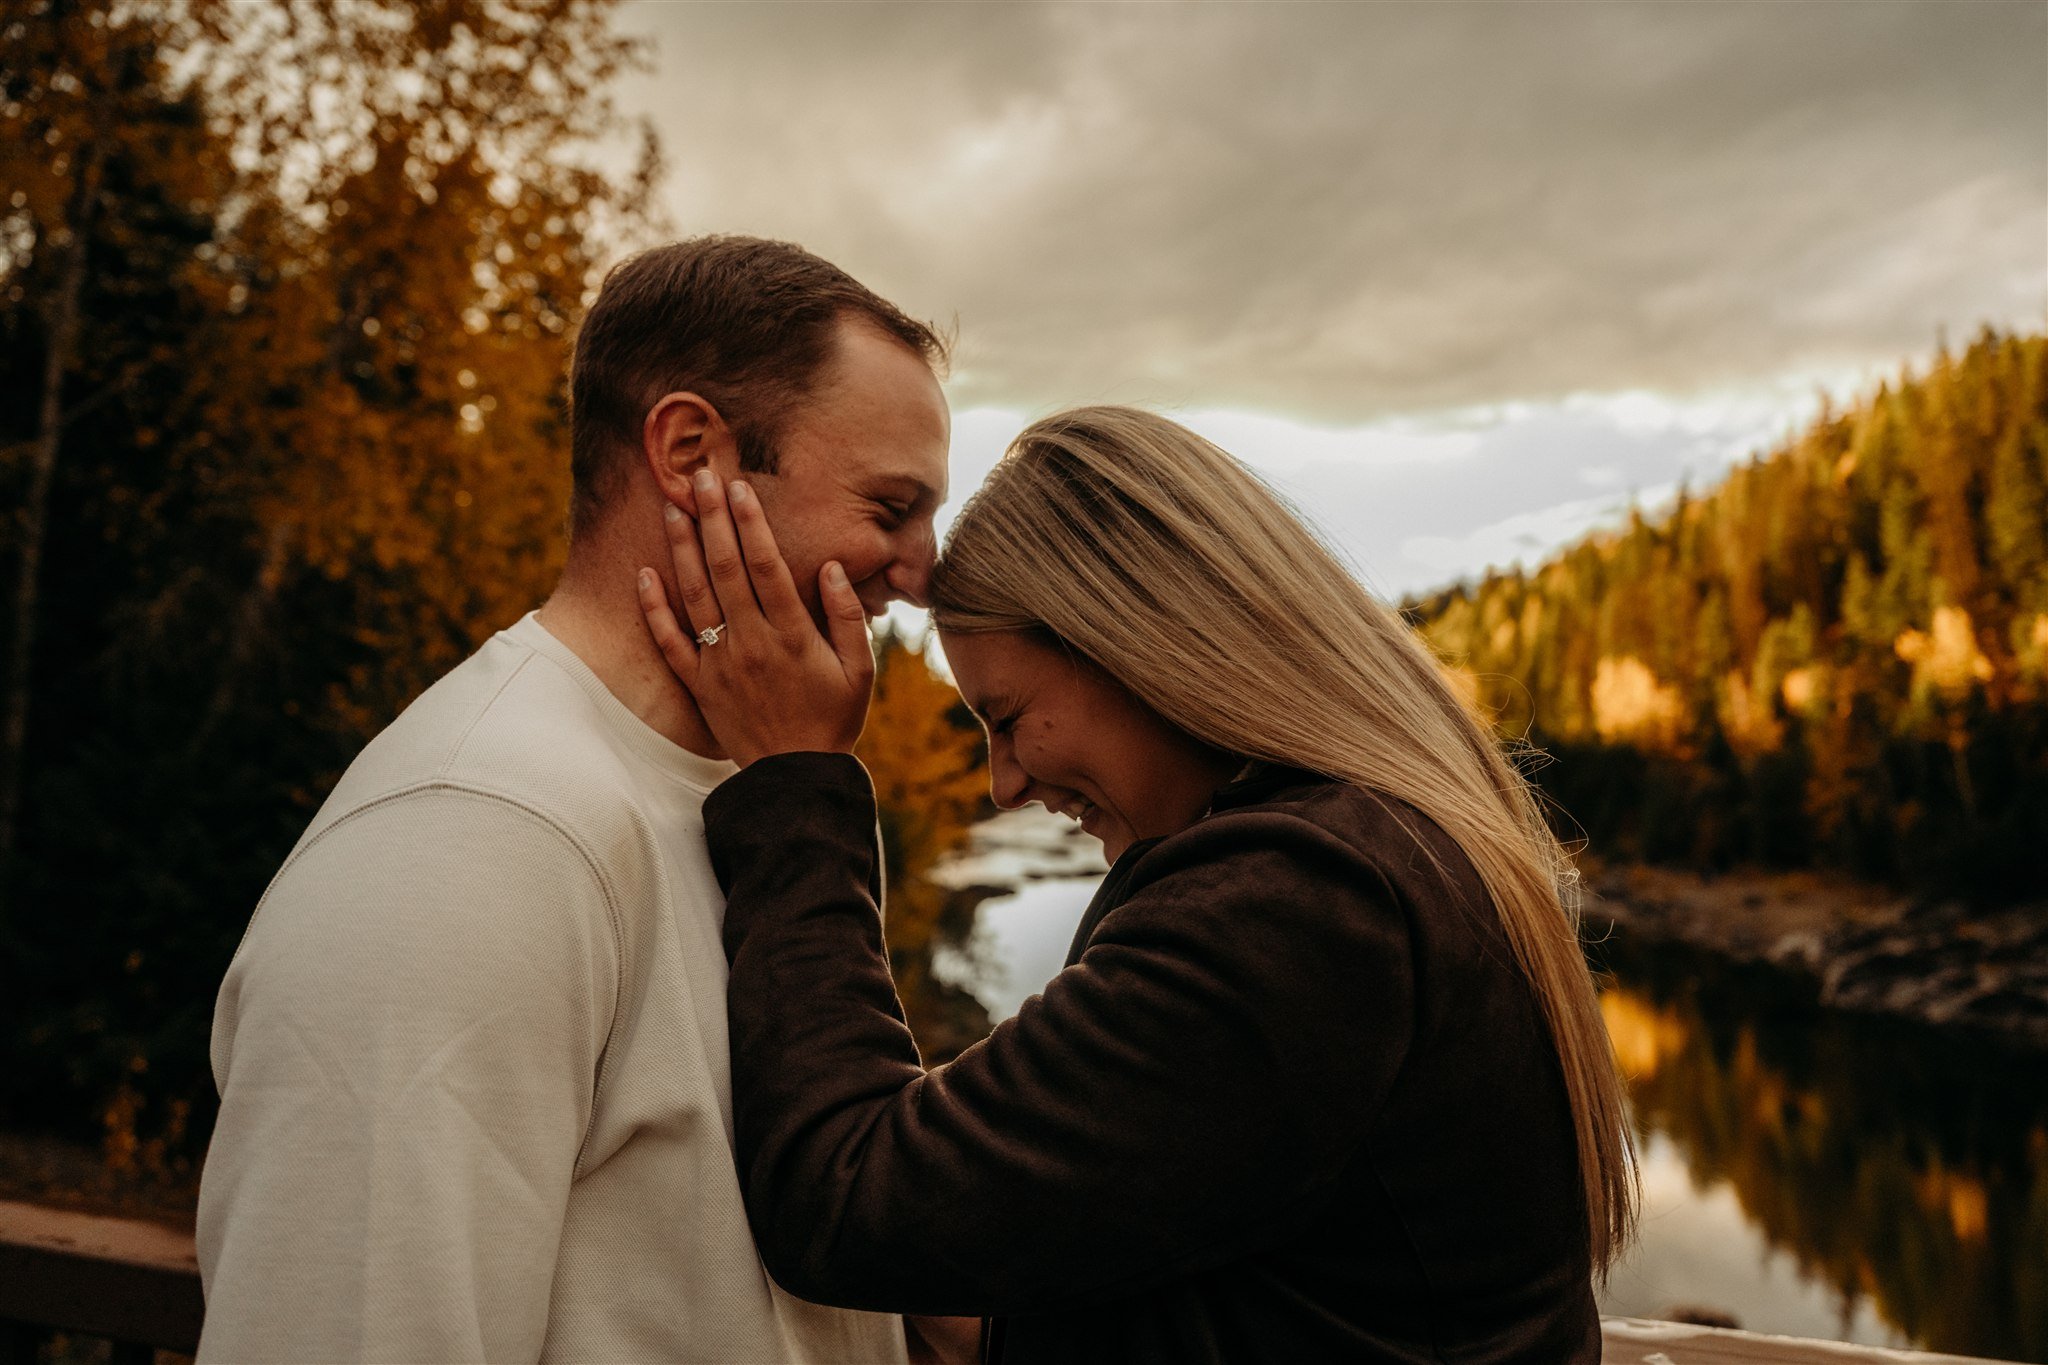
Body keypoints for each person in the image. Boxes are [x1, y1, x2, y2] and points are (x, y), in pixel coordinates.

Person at [636, 405, 1638, 1364]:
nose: (1003, 782)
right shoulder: (1378, 847)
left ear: (1138, 646)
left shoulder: (1296, 908)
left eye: (1007, 714)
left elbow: (848, 1195)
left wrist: (790, 781)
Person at [197, 236, 955, 1363]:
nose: (920, 571)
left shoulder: (758, 804)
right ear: (692, 452)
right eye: (888, 507)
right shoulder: (470, 841)